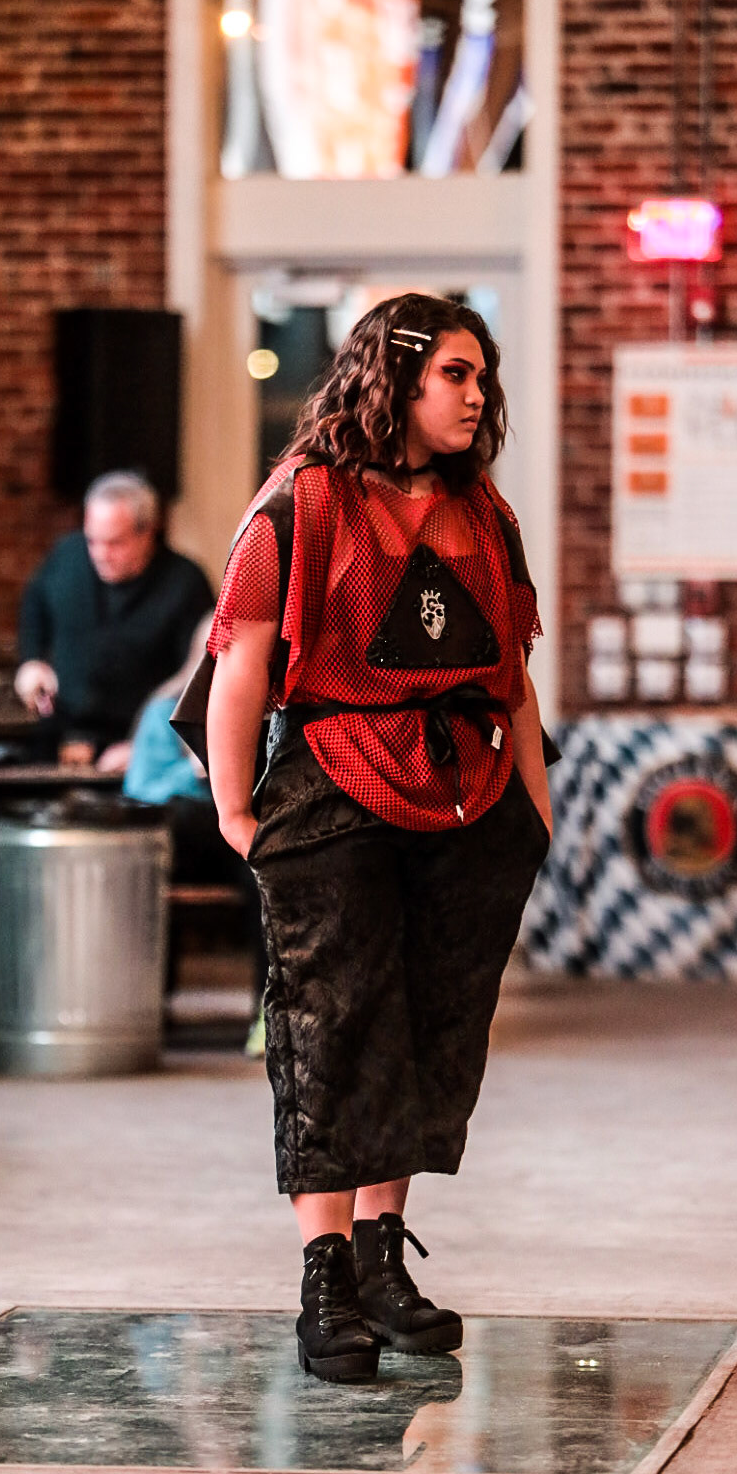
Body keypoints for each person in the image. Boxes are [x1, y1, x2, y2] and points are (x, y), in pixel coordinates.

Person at [199, 293, 554, 1384]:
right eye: (455, 373)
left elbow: (512, 675)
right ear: (392, 378)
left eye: (482, 376)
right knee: (333, 1027)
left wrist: (534, 815)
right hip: (334, 788)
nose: (477, 394)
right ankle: (326, 1278)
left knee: (427, 1024)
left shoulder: (483, 512)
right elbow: (241, 662)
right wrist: (235, 811)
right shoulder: (302, 502)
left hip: (466, 798)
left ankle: (381, 1257)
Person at [123, 615, 267, 1027]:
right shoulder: (163, 710)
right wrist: (194, 770)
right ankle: (146, 1007)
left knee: (264, 868)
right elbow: (141, 791)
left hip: (234, 841)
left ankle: (266, 1008)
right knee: (166, 833)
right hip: (182, 837)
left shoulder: (263, 714)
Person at [15, 471, 214, 769]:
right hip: (58, 734)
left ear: (147, 532)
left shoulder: (185, 583)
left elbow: (197, 682)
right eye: (92, 540)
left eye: (114, 543)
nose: (100, 554)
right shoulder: (67, 556)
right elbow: (34, 604)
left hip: (134, 747)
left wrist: (143, 747)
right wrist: (31, 661)